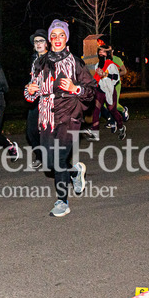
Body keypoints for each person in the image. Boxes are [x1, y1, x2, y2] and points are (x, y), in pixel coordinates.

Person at [25, 19, 97, 217]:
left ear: (66, 38)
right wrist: (30, 90)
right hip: (47, 117)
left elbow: (91, 90)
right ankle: (74, 172)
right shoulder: (39, 62)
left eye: (61, 35)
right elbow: (31, 91)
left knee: (58, 159)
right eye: (54, 36)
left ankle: (62, 201)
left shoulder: (74, 62)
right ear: (50, 39)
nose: (57, 39)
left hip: (69, 115)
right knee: (49, 162)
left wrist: (75, 89)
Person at [91, 39, 128, 140]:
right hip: (100, 91)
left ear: (107, 53)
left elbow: (116, 78)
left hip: (110, 91)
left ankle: (121, 127)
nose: (100, 53)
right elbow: (96, 80)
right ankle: (95, 132)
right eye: (99, 51)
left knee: (113, 110)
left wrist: (105, 74)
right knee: (96, 109)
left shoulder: (111, 64)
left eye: (103, 51)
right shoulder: (97, 66)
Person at [25, 30, 47, 168]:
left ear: (47, 44)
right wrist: (29, 85)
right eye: (36, 41)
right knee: (31, 131)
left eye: (41, 41)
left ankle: (53, 157)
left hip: (47, 100)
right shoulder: (34, 60)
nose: (38, 44)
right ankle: (40, 156)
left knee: (48, 131)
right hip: (35, 99)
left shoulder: (51, 58)